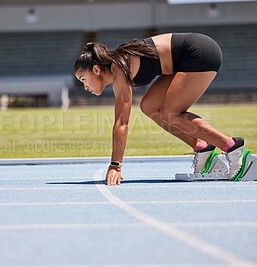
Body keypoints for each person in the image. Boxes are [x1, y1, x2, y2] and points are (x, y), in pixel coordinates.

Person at [74, 33, 246, 185]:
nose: (85, 86)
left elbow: (122, 123)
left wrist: (115, 166)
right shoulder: (117, 66)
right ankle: (202, 148)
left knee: (171, 113)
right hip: (181, 62)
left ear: (96, 70)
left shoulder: (119, 68)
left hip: (199, 52)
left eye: (83, 79)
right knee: (149, 106)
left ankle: (233, 147)